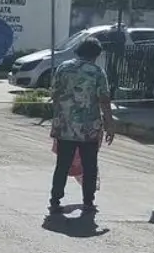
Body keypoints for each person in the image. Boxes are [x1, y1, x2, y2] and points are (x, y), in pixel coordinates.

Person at [49, 37, 115, 216]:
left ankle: (55, 200)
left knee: (62, 164)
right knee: (89, 165)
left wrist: (60, 116)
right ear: (96, 55)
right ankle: (88, 202)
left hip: (65, 126)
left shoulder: (63, 68)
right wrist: (109, 124)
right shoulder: (97, 72)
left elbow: (54, 94)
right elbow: (104, 100)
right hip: (88, 128)